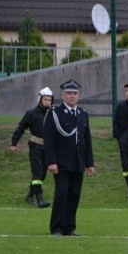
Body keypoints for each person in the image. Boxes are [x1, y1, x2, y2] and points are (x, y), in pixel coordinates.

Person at [43, 79, 95, 236]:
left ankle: (69, 227)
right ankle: (57, 228)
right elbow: (49, 139)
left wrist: (89, 163)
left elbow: (87, 140)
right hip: (62, 161)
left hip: (78, 161)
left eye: (75, 94)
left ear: (78, 96)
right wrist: (51, 161)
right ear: (63, 95)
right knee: (62, 193)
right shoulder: (54, 113)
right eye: (69, 94)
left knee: (74, 195)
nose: (72, 96)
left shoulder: (83, 114)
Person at [10, 87, 53, 208]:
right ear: (40, 99)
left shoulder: (53, 113)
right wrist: (14, 143)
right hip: (35, 145)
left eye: (50, 100)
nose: (48, 102)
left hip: (48, 147)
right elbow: (21, 128)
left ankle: (30, 195)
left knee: (42, 175)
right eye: (45, 99)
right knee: (37, 172)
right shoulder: (31, 113)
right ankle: (40, 199)